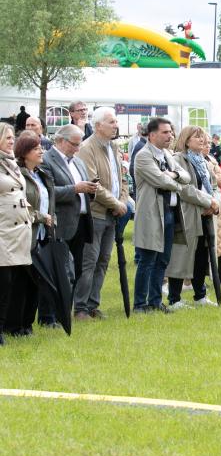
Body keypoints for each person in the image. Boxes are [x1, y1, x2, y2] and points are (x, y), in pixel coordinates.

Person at [75, 107, 129, 320]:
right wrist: (116, 203)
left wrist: (122, 201)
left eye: (116, 122)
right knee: (90, 260)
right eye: (111, 122)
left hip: (112, 214)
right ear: (98, 126)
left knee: (104, 260)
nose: (116, 125)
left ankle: (92, 304)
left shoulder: (114, 147)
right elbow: (93, 184)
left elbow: (123, 179)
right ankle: (80, 307)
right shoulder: (87, 148)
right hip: (95, 213)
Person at [133, 118, 191, 313]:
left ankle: (155, 301)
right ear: (152, 135)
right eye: (165, 132)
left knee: (163, 261)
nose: (170, 136)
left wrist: (172, 175)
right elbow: (160, 181)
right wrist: (175, 180)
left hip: (168, 213)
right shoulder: (143, 156)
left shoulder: (166, 154)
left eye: (171, 132)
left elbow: (185, 176)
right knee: (147, 260)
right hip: (151, 215)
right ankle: (140, 304)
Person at [164, 126, 220, 309]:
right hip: (187, 214)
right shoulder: (178, 159)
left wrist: (214, 202)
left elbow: (214, 185)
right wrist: (208, 201)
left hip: (206, 214)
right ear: (186, 140)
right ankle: (174, 298)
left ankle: (200, 295)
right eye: (197, 137)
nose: (202, 140)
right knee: (181, 256)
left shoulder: (203, 160)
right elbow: (184, 188)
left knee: (202, 256)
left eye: (203, 137)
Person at [41, 125, 97, 298]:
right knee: (58, 271)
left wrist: (91, 189)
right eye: (74, 144)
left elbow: (82, 190)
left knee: (77, 270)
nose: (77, 149)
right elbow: (47, 192)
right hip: (60, 223)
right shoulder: (46, 160)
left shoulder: (78, 161)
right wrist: (75, 189)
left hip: (80, 222)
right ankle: (50, 315)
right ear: (60, 141)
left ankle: (66, 308)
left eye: (79, 144)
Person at [10, 131, 55, 334]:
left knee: (36, 282)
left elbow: (48, 200)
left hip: (42, 235)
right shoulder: (18, 175)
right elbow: (21, 206)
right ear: (25, 152)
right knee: (21, 283)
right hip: (24, 235)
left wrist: (50, 217)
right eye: (37, 148)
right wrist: (41, 217)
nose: (41, 151)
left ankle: (27, 324)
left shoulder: (41, 173)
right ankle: (15, 325)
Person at [0, 123, 33, 344]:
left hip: (19, 231)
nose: (12, 141)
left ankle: (12, 325)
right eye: (8, 137)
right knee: (3, 283)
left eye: (13, 137)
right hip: (3, 230)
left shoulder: (11, 162)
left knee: (16, 282)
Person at [201, 133, 221, 287]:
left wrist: (212, 173)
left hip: (217, 205)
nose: (207, 146)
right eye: (204, 143)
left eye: (209, 143)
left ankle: (219, 276)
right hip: (204, 205)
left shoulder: (212, 160)